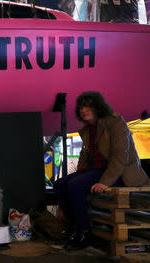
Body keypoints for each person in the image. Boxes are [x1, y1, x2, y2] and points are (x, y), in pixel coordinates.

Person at [55, 91, 149, 250]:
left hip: (119, 172)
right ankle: (75, 228)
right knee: (59, 185)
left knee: (75, 186)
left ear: (98, 106)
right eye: (81, 107)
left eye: (88, 106)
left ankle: (85, 233)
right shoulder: (87, 129)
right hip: (97, 170)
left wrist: (105, 182)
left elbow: (120, 157)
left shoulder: (115, 122)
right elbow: (85, 156)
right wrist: (79, 173)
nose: (83, 110)